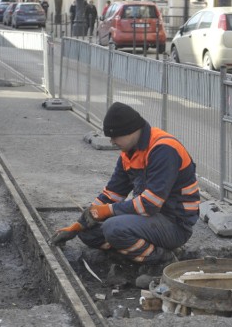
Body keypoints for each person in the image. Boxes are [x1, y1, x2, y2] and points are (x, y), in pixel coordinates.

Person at [50, 102, 200, 265]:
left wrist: (107, 211)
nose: (112, 142)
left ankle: (162, 260)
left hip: (173, 224)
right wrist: (78, 225)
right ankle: (138, 252)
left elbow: (150, 204)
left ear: (130, 131)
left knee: (113, 228)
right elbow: (111, 194)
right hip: (148, 220)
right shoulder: (129, 153)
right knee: (88, 233)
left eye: (115, 137)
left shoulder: (164, 149)